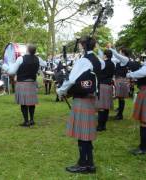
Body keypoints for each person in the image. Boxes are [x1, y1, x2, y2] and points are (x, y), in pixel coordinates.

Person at [57, 36, 104, 174]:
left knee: (83, 134)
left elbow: (71, 79)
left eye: (80, 45)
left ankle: (84, 165)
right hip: (91, 99)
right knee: (86, 133)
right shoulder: (98, 60)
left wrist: (61, 91)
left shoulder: (83, 61)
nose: (78, 47)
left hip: (82, 99)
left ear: (83, 46)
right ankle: (89, 163)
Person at [3, 44, 46, 127]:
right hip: (32, 83)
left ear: (27, 50)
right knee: (31, 103)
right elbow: (44, 64)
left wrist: (5, 67)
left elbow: (11, 72)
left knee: (23, 103)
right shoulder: (38, 59)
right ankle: (32, 120)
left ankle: (26, 121)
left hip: (22, 83)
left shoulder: (21, 59)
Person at [96, 48, 115, 131]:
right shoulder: (112, 64)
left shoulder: (103, 63)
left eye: (103, 54)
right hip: (109, 85)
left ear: (105, 55)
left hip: (103, 85)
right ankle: (104, 125)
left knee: (101, 107)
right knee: (106, 106)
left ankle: (100, 126)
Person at [110, 47, 131, 120]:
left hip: (122, 80)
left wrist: (110, 48)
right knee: (119, 97)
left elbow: (116, 55)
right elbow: (113, 58)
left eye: (120, 52)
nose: (119, 53)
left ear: (123, 52)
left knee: (121, 98)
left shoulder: (125, 59)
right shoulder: (121, 60)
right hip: (119, 79)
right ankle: (119, 113)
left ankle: (120, 115)